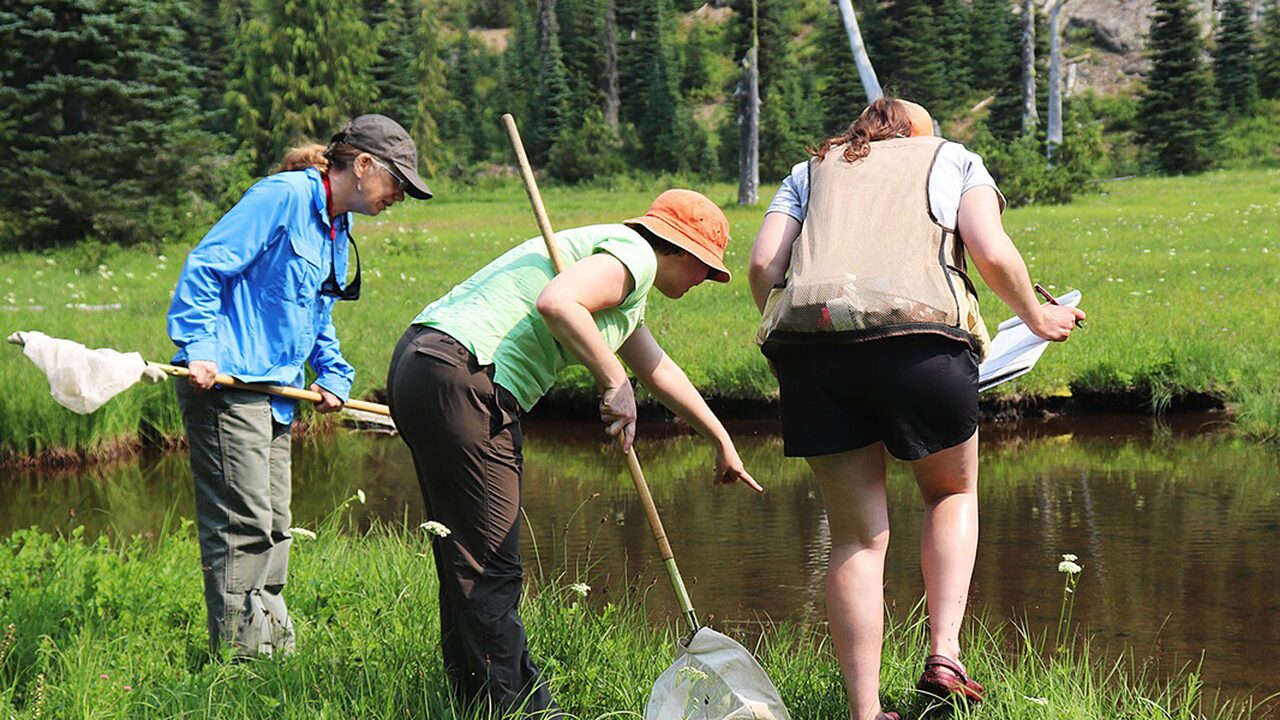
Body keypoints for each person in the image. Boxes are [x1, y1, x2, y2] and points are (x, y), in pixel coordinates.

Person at [748, 97, 1085, 720]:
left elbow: (764, 265)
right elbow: (987, 245)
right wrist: (1039, 317)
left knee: (855, 536)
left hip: (814, 354)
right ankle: (944, 655)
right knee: (950, 494)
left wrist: (794, 350)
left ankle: (865, 711)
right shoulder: (953, 159)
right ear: (920, 136)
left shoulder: (809, 169)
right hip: (923, 344)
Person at [386, 189, 762, 716]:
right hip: (466, 377)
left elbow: (658, 369)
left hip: (424, 363)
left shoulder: (621, 282)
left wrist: (721, 439)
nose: (705, 281)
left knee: (465, 558)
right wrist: (613, 381)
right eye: (705, 269)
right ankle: (525, 710)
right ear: (680, 251)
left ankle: (478, 700)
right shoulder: (632, 254)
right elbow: (557, 302)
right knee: (491, 564)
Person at [167, 114, 432, 657]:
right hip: (230, 387)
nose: (400, 195)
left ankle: (275, 654)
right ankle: (241, 663)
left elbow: (314, 310)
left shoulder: (338, 226)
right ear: (362, 166)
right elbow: (205, 268)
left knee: (276, 526)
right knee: (243, 527)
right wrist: (199, 349)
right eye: (397, 181)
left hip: (279, 396)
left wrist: (331, 372)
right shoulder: (282, 197)